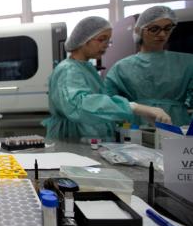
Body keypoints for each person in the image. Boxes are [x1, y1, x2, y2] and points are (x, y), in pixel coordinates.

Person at [42, 16, 172, 141]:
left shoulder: (86, 68)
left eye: (108, 40)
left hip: (87, 136)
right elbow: (79, 105)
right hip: (73, 137)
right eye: (101, 39)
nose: (105, 45)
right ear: (83, 40)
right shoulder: (68, 70)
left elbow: (100, 104)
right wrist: (133, 107)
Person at [106, 6, 193, 126]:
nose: (162, 34)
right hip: (136, 127)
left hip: (178, 126)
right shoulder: (121, 67)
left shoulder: (187, 62)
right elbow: (108, 103)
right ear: (139, 31)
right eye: (154, 29)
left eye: (167, 28)